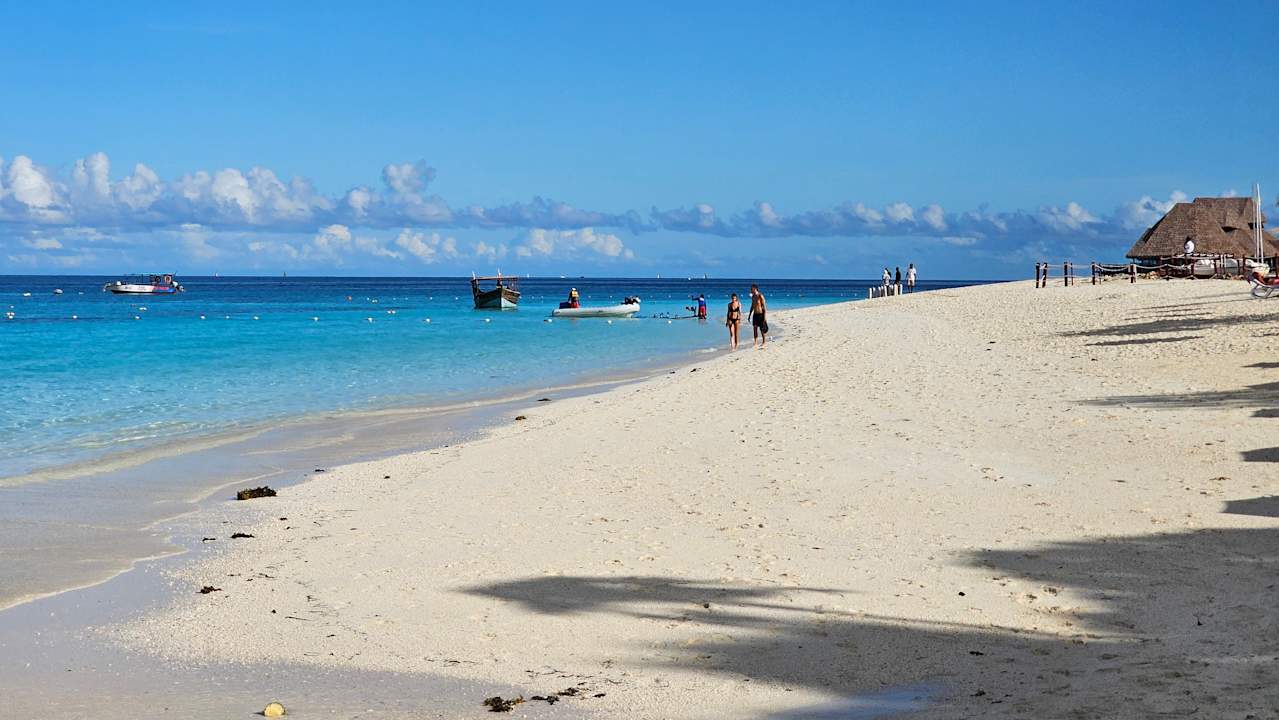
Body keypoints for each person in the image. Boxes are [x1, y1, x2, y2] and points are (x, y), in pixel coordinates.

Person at [749, 284, 768, 348]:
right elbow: (752, 306)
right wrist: (749, 315)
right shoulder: (753, 296)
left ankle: (764, 342)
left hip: (761, 314)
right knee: (754, 328)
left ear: (755, 289)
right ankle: (755, 342)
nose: (750, 290)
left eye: (751, 289)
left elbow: (764, 307)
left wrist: (765, 317)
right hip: (755, 314)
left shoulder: (760, 296)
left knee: (762, 329)